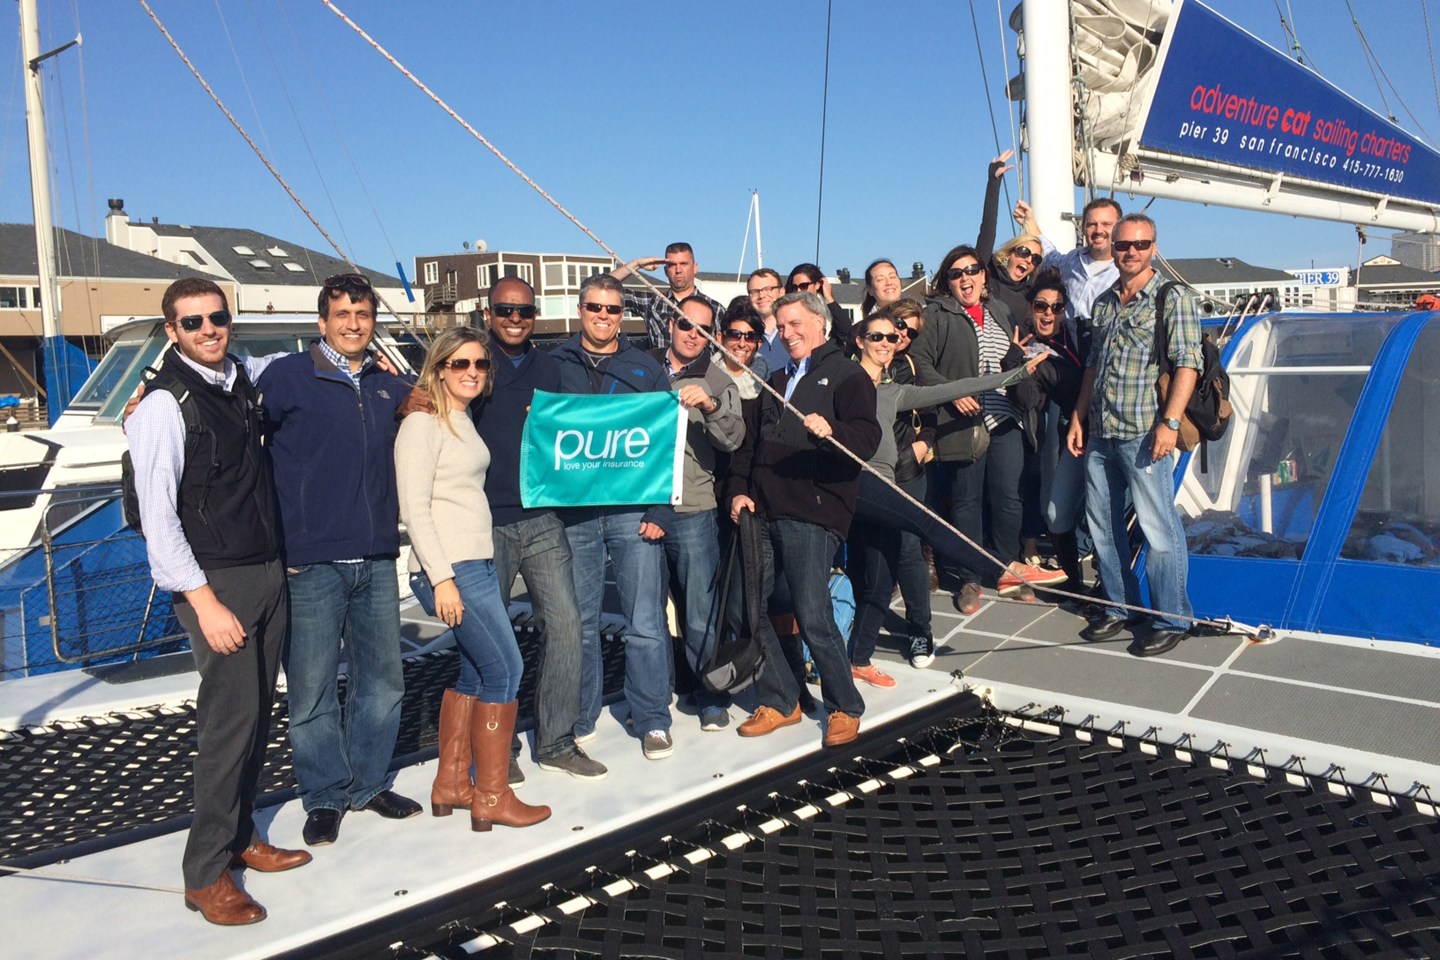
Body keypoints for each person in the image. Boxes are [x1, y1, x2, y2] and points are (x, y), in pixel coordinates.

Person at [127, 277, 309, 925]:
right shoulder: (162, 406)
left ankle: (240, 837)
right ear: (171, 331)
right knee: (227, 727)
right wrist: (203, 601)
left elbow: (286, 362)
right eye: (193, 322)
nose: (208, 330)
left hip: (265, 570)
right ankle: (205, 874)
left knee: (257, 718)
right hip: (218, 583)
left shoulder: (238, 378)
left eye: (217, 318)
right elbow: (157, 515)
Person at [259, 273, 421, 847]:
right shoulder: (286, 377)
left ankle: (368, 783)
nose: (354, 324)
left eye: (363, 314)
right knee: (312, 689)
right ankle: (325, 794)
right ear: (322, 322)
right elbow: (238, 434)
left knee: (383, 681)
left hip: (375, 556)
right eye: (342, 314)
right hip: (310, 563)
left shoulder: (387, 384)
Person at [396, 327, 552, 832]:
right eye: (460, 363)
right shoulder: (422, 424)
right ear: (439, 368)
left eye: (480, 364)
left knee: (475, 672)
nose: (472, 372)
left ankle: (451, 784)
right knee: (506, 668)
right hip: (453, 569)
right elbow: (414, 509)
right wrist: (441, 579)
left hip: (475, 562)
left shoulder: (460, 417)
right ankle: (492, 794)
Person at [847, 309, 1044, 674]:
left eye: (892, 337)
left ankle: (861, 657)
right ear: (860, 340)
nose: (886, 343)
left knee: (883, 571)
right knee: (924, 527)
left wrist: (1014, 374)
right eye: (876, 337)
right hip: (856, 483)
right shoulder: (844, 379)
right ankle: (1001, 569)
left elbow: (950, 389)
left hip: (893, 480)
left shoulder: (893, 391)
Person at [724, 291, 882, 748]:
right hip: (762, 511)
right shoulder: (774, 380)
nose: (787, 333)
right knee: (748, 608)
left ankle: (844, 705)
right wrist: (738, 490)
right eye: (781, 326)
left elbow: (866, 437)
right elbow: (749, 447)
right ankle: (782, 699)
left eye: (795, 324)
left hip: (813, 511)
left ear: (820, 323)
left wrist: (834, 432)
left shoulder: (847, 375)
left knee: (812, 613)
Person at [474, 276, 605, 781]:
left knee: (568, 626)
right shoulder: (471, 361)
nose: (514, 319)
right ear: (488, 313)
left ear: (536, 316)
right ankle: (497, 749)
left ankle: (555, 741)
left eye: (524, 312)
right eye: (505, 310)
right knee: (491, 637)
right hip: (485, 521)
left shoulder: (552, 368)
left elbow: (590, 425)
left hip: (542, 517)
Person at [554, 273, 677, 760]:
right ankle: (581, 715)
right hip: (575, 514)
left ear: (622, 314)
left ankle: (652, 718)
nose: (603, 316)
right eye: (595, 307)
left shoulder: (645, 366)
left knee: (644, 620)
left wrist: (661, 507)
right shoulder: (553, 363)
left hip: (633, 511)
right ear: (580, 309)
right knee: (579, 622)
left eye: (612, 309)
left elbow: (666, 440)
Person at [1066, 213, 1201, 656]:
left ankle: (1172, 617)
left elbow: (1187, 362)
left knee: (1157, 526)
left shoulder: (1171, 297)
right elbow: (1092, 366)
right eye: (1124, 244)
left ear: (1153, 249)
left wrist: (1170, 423)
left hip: (1144, 432)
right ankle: (1120, 606)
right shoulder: (1105, 302)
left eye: (1140, 245)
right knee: (1103, 525)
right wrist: (1079, 416)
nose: (1131, 252)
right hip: (1101, 430)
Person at [910, 246, 1064, 615]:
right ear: (947, 281)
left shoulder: (1002, 310)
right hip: (962, 421)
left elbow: (1022, 350)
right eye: (956, 273)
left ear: (983, 275)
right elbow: (919, 362)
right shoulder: (938, 314)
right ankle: (970, 577)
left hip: (1005, 416)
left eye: (972, 270)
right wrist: (953, 393)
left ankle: (1010, 573)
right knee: (967, 501)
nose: (965, 278)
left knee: (1009, 500)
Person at [649, 297, 745, 731]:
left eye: (704, 330)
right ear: (671, 323)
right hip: (641, 509)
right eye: (687, 324)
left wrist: (710, 406)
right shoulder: (641, 368)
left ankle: (711, 695)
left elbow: (733, 439)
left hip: (693, 508)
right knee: (647, 612)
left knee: (700, 610)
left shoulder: (718, 379)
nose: (693, 334)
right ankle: (656, 696)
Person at [1013, 270, 1089, 596]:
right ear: (1030, 308)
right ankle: (1074, 584)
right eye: (1041, 306)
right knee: (1056, 514)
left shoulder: (1081, 333)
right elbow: (1027, 399)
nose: (1048, 313)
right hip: (1075, 433)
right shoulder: (1032, 350)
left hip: (1109, 428)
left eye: (1056, 307)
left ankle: (1112, 588)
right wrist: (1015, 366)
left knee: (1110, 508)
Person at [1015, 196, 1122, 338]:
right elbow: (1048, 256)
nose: (1098, 230)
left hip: (1100, 347)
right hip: (1064, 346)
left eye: (1106, 224)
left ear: (1119, 229)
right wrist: (1029, 222)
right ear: (1083, 228)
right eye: (1091, 224)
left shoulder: (1124, 272)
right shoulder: (1072, 260)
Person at [612, 242, 725, 350]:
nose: (678, 270)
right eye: (672, 265)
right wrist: (636, 264)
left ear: (695, 268)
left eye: (683, 264)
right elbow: (603, 288)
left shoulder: (715, 308)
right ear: (666, 271)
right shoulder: (652, 302)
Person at [976, 151, 1043, 321]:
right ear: (1009, 253)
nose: (1029, 260)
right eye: (1024, 252)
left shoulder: (1031, 296)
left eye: (1035, 259)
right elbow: (987, 232)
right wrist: (994, 182)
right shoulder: (987, 274)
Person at [786, 263, 854, 345]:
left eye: (804, 286)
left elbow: (847, 330)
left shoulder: (829, 308)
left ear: (817, 285)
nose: (798, 291)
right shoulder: (789, 310)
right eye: (795, 287)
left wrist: (829, 298)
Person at [745, 268, 791, 373]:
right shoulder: (744, 336)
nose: (761, 296)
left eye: (767, 289)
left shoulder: (795, 332)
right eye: (755, 291)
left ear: (782, 292)